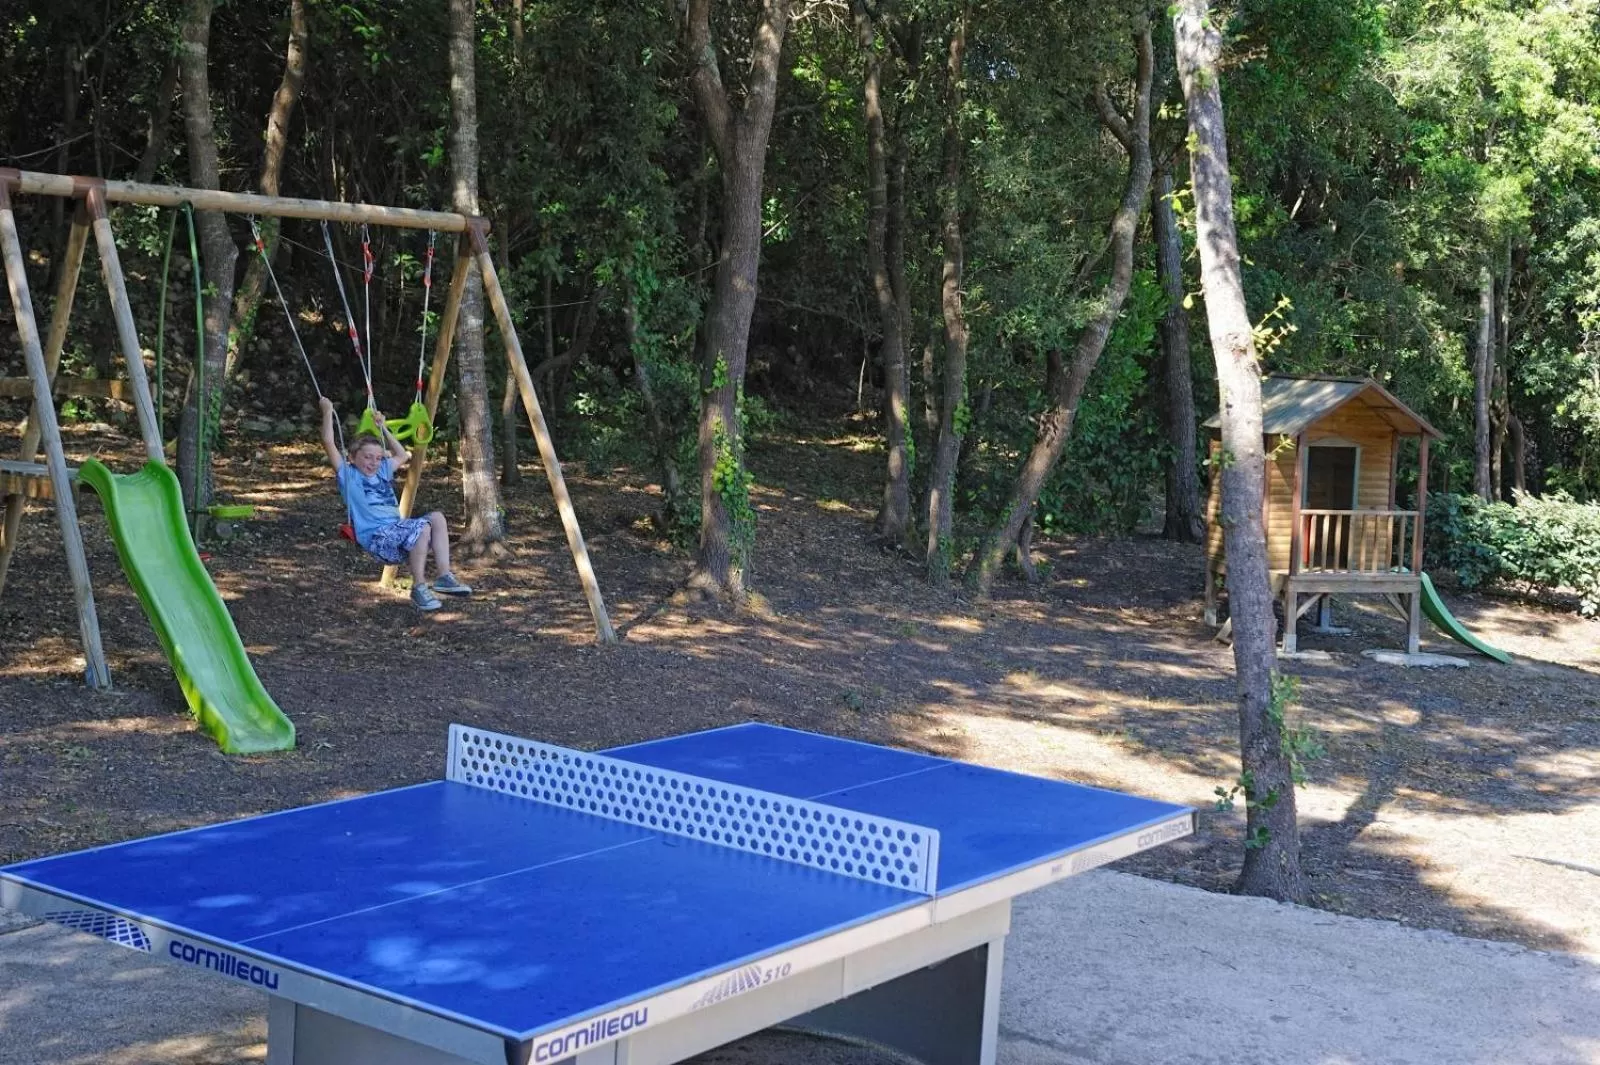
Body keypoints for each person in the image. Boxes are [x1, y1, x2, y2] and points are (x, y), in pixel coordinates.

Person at [319, 396, 472, 612]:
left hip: (399, 537)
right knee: (421, 527)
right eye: (367, 457)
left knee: (436, 517)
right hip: (377, 539)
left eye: (378, 458)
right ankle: (418, 587)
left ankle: (444, 577)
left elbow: (402, 454)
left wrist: (383, 430)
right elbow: (327, 441)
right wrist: (327, 412)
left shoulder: (382, 470)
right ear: (352, 458)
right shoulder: (348, 475)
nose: (373, 463)